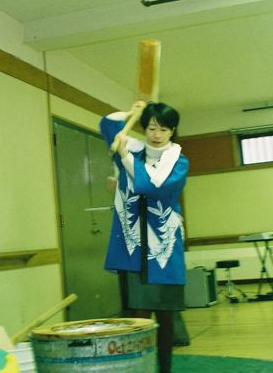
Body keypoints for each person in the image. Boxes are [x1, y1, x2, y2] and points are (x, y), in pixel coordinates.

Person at [99, 101, 189, 373]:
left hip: (163, 248)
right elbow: (108, 124)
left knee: (165, 316)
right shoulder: (134, 150)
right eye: (151, 128)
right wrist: (131, 113)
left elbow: (152, 186)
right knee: (137, 317)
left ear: (172, 131)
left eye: (163, 129)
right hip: (133, 247)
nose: (156, 134)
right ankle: (138, 368)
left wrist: (125, 157)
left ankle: (164, 369)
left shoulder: (178, 161)